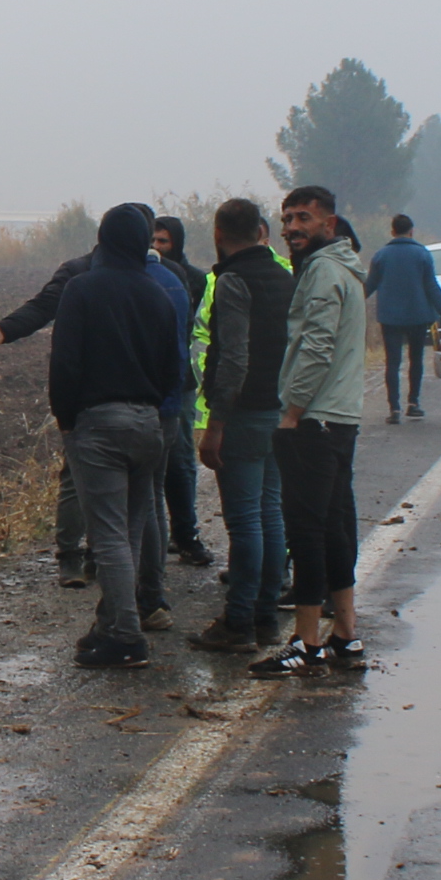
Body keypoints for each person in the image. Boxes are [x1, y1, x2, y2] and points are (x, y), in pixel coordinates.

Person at [48, 203, 185, 666]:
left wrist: (66, 418)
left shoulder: (81, 290)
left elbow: (64, 363)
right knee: (131, 528)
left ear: (103, 240)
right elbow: (174, 370)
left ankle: (125, 637)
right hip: (149, 424)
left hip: (98, 424)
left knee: (106, 536)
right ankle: (111, 624)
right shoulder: (159, 295)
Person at [251, 185, 368, 679]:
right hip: (340, 418)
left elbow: (317, 346)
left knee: (308, 529)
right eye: (287, 218)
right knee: (337, 525)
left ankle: (306, 642)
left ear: (330, 224)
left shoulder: (322, 272)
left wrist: (292, 413)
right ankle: (346, 634)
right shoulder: (346, 270)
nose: (292, 227)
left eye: (303, 218)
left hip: (314, 420)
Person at [188, 196, 295, 652]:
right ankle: (267, 616)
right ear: (260, 232)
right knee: (270, 515)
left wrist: (215, 422)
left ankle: (239, 622)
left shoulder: (232, 281)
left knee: (245, 522)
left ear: (218, 235)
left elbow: (231, 356)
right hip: (279, 409)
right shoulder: (285, 277)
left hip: (245, 415)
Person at [0, 240, 98, 586]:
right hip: (87, 394)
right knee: (77, 476)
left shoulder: (155, 276)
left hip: (136, 395)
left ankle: (102, 557)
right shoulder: (78, 273)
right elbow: (44, 306)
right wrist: (6, 329)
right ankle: (71, 556)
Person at [146, 214, 213, 570]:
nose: (157, 247)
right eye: (153, 241)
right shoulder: (143, 276)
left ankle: (186, 536)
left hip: (181, 381)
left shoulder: (196, 278)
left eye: (164, 241)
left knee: (181, 460)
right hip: (145, 383)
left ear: (178, 243)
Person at [368, 213, 441, 423]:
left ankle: (394, 409)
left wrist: (349, 304)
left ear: (392, 231)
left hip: (390, 317)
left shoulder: (381, 255)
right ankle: (413, 403)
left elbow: (370, 285)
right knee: (416, 359)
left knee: (392, 362)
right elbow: (432, 287)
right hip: (418, 316)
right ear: (411, 231)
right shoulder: (422, 254)